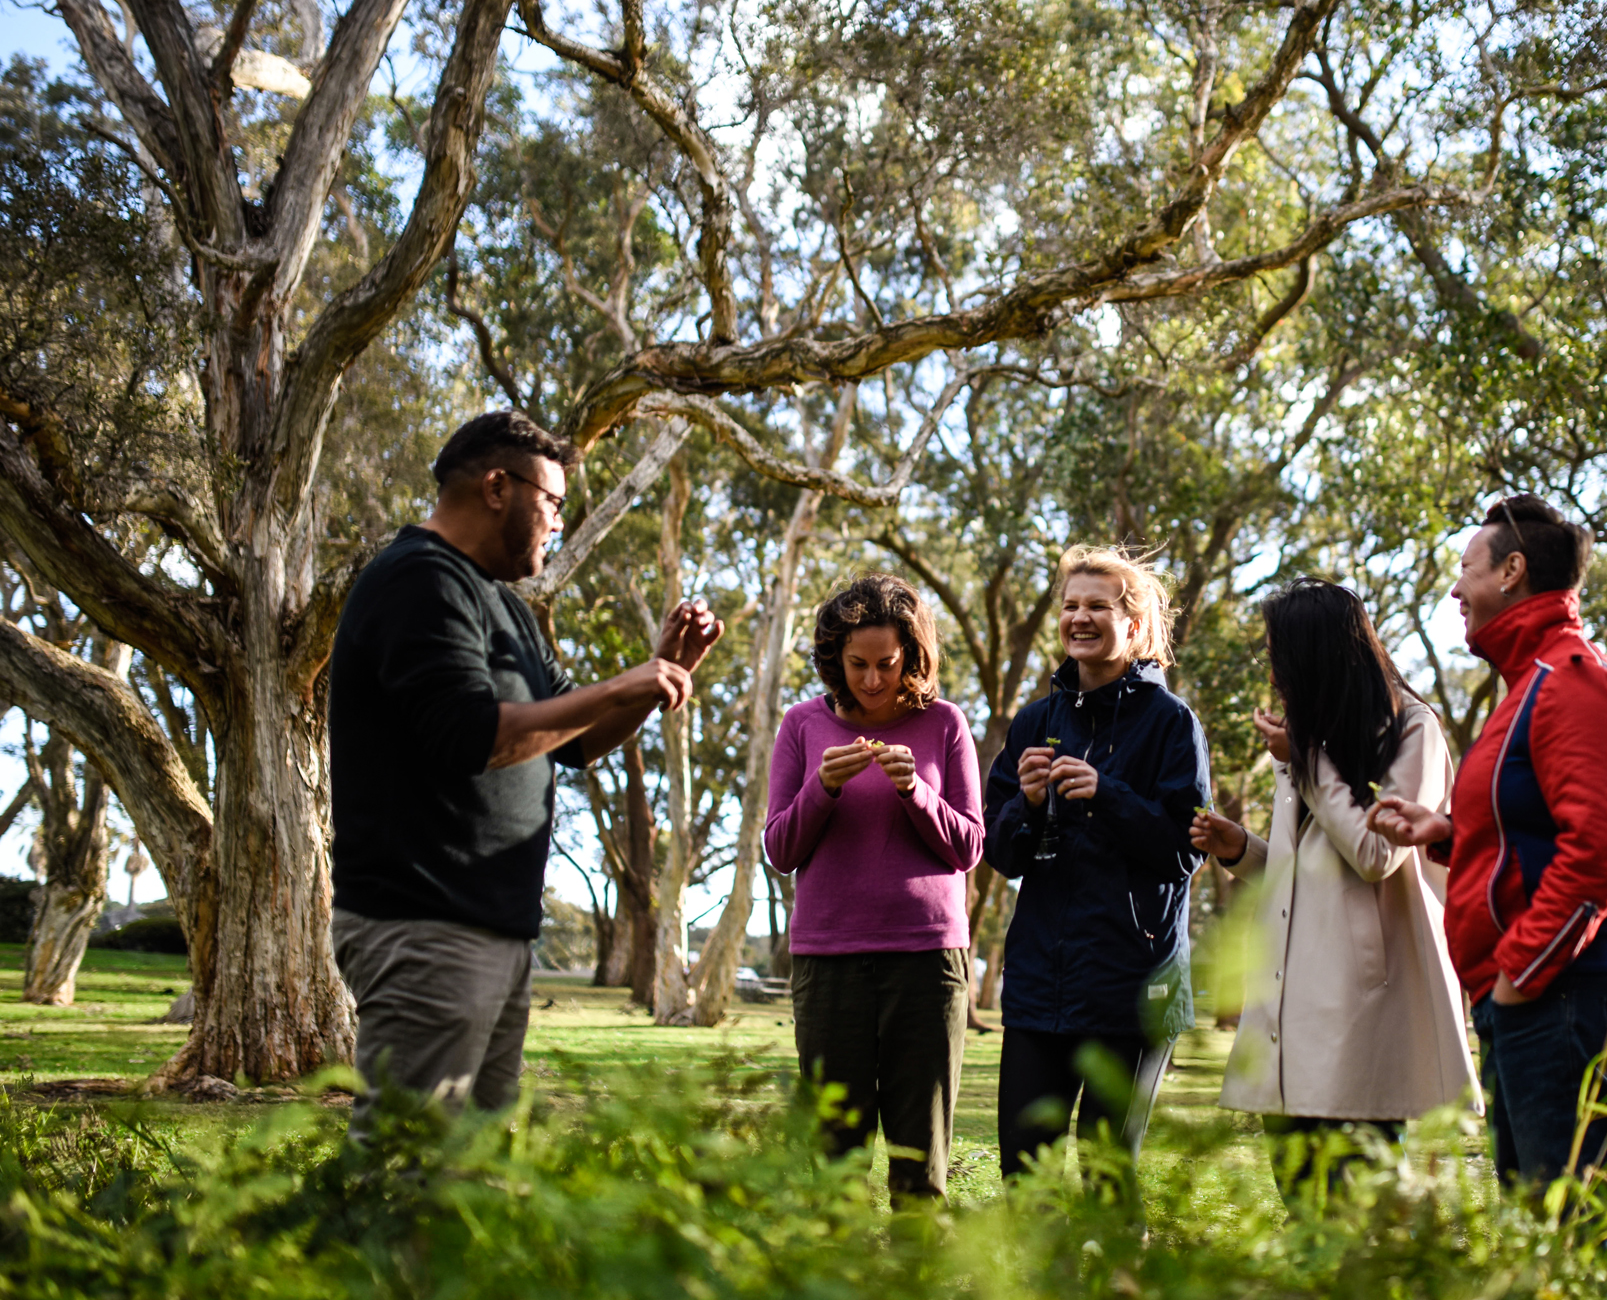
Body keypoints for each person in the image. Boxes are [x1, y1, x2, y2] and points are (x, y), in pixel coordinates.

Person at [328, 411, 723, 1132]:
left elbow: (571, 742)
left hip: (494, 929)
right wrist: (623, 683)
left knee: (471, 1180)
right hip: (422, 923)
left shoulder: (504, 606)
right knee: (405, 1168)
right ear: (496, 487)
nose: (556, 524)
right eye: (553, 502)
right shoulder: (420, 580)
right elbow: (470, 737)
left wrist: (661, 674)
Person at [1367, 496, 1607, 1209]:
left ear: (1513, 571)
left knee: (1586, 1226)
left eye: (1466, 569)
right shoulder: (1526, 685)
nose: (1455, 589)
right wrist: (1447, 831)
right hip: (1530, 990)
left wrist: (1520, 974)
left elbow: (1600, 853)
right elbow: (1538, 827)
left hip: (1561, 985)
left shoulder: (1572, 681)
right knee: (1545, 1218)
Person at [1190, 579, 1479, 1205]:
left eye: (1278, 652)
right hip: (1290, 1008)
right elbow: (1309, 878)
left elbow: (1376, 855)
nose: (1272, 669)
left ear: (1314, 652)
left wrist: (1307, 760)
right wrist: (1239, 847)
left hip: (1361, 1009)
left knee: (1362, 1213)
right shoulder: (1309, 738)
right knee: (1302, 1207)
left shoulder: (1413, 729)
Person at [984, 545, 1211, 1183]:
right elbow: (1000, 854)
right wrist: (1027, 804)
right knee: (1025, 1173)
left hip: (1134, 989)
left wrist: (1106, 793)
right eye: (1070, 605)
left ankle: (1118, 1285)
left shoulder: (1172, 724)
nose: (1079, 618)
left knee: (1108, 1174)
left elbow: (1183, 851)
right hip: (1038, 989)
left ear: (1134, 627)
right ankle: (1032, 1288)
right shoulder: (1035, 722)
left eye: (1098, 607)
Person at [763, 575, 984, 1202]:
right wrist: (822, 790)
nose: (871, 679)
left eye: (886, 663)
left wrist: (917, 793)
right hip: (829, 964)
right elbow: (780, 848)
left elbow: (969, 847)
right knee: (835, 1163)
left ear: (912, 656)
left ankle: (915, 1293)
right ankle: (838, 1291)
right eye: (856, 664)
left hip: (928, 963)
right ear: (835, 657)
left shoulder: (945, 724)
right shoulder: (802, 725)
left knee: (920, 1166)